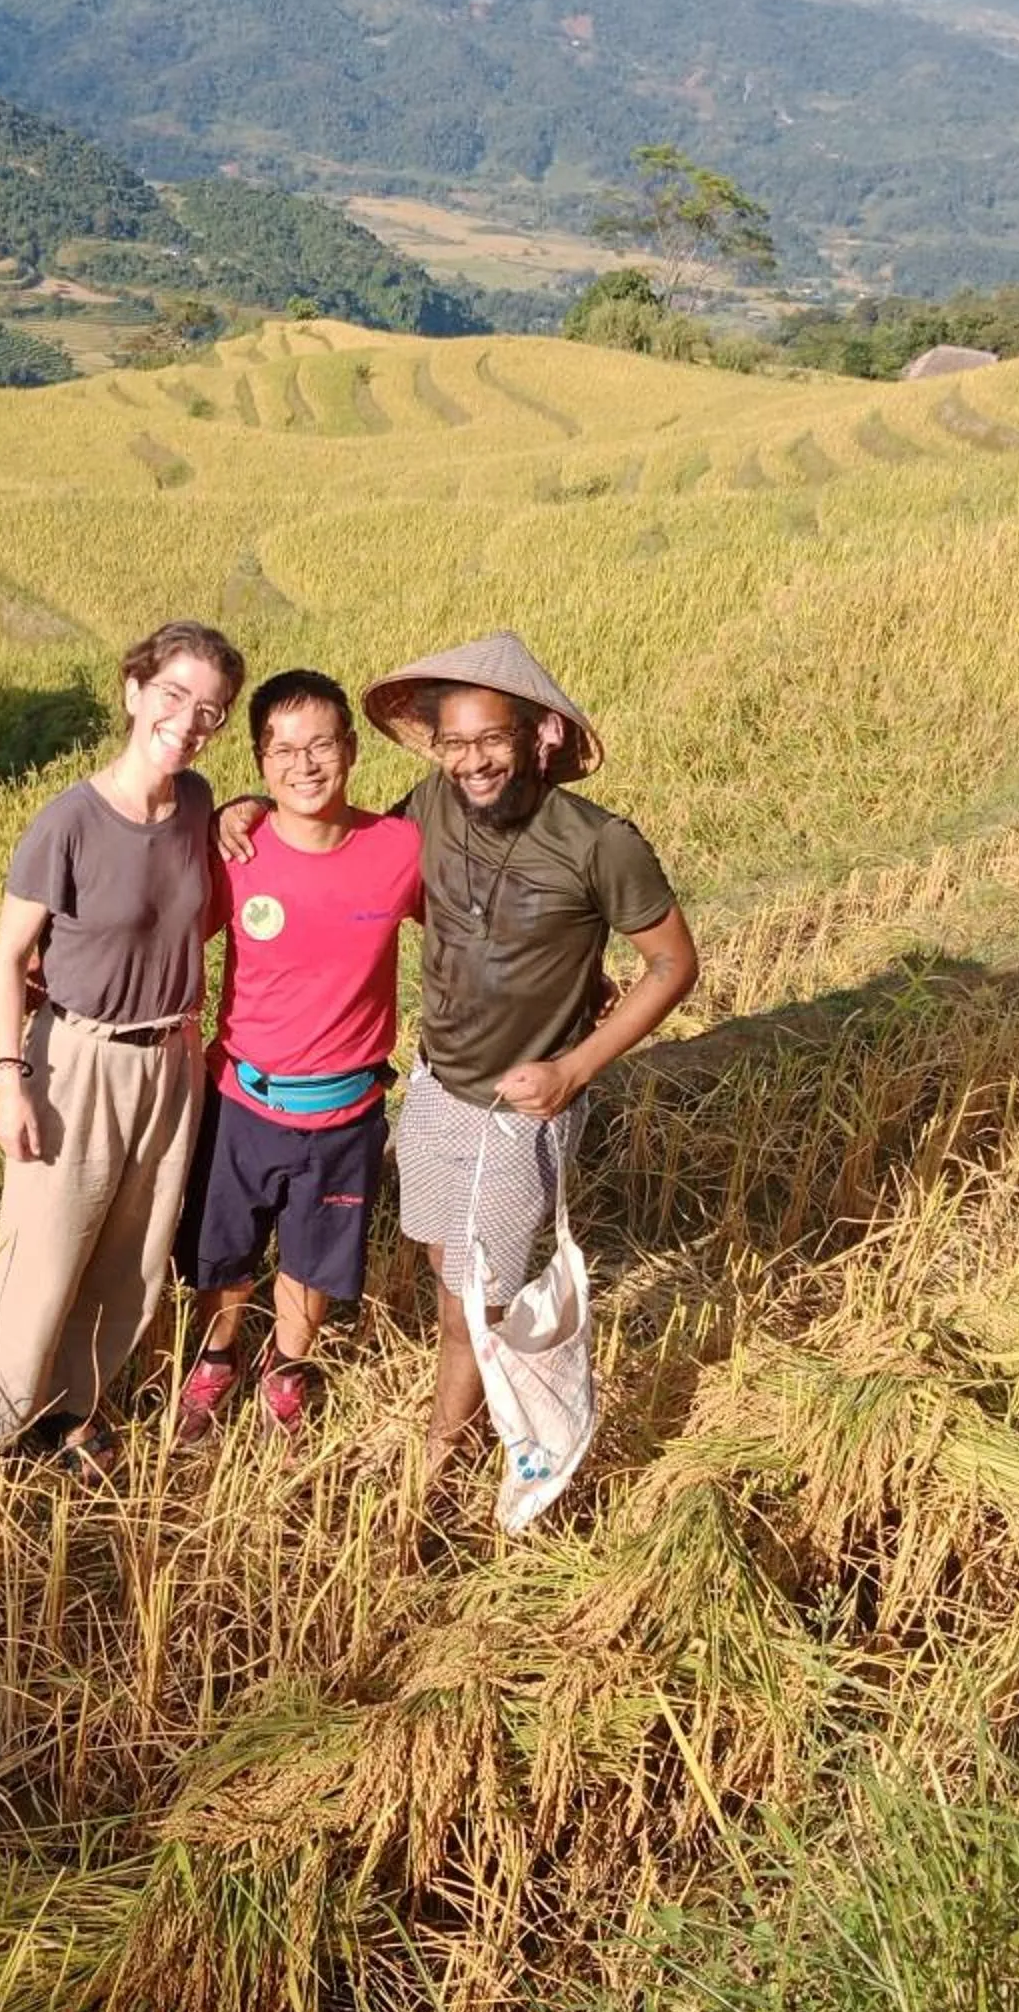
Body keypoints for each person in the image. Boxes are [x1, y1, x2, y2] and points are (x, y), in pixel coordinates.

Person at [218, 631, 697, 1473]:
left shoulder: (599, 841)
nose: (473, 762)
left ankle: (446, 1452)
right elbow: (348, 851)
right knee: (445, 1258)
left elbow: (673, 963)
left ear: (538, 735)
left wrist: (575, 1067)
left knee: (466, 1295)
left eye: (492, 740)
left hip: (521, 1107)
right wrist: (244, 809)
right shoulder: (431, 806)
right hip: (437, 1084)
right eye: (455, 742)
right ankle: (485, 1386)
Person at [0, 619, 247, 1477]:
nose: (189, 720)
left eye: (211, 710)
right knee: (42, 1259)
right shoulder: (70, 823)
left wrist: (249, 808)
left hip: (170, 1062)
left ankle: (72, 1412)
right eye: (174, 696)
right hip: (75, 1063)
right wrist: (10, 1081)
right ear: (133, 692)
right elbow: (9, 957)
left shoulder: (198, 803)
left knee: (133, 1254)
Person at [173, 667, 423, 1440]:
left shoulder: (400, 847)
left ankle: (285, 1365)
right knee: (225, 1250)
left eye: (320, 745)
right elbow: (165, 945)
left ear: (350, 749)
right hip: (245, 1100)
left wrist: (581, 977)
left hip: (348, 1110)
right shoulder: (236, 853)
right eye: (283, 750)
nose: (304, 764)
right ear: (259, 763)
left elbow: (474, 924)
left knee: (314, 1260)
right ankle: (217, 1356)